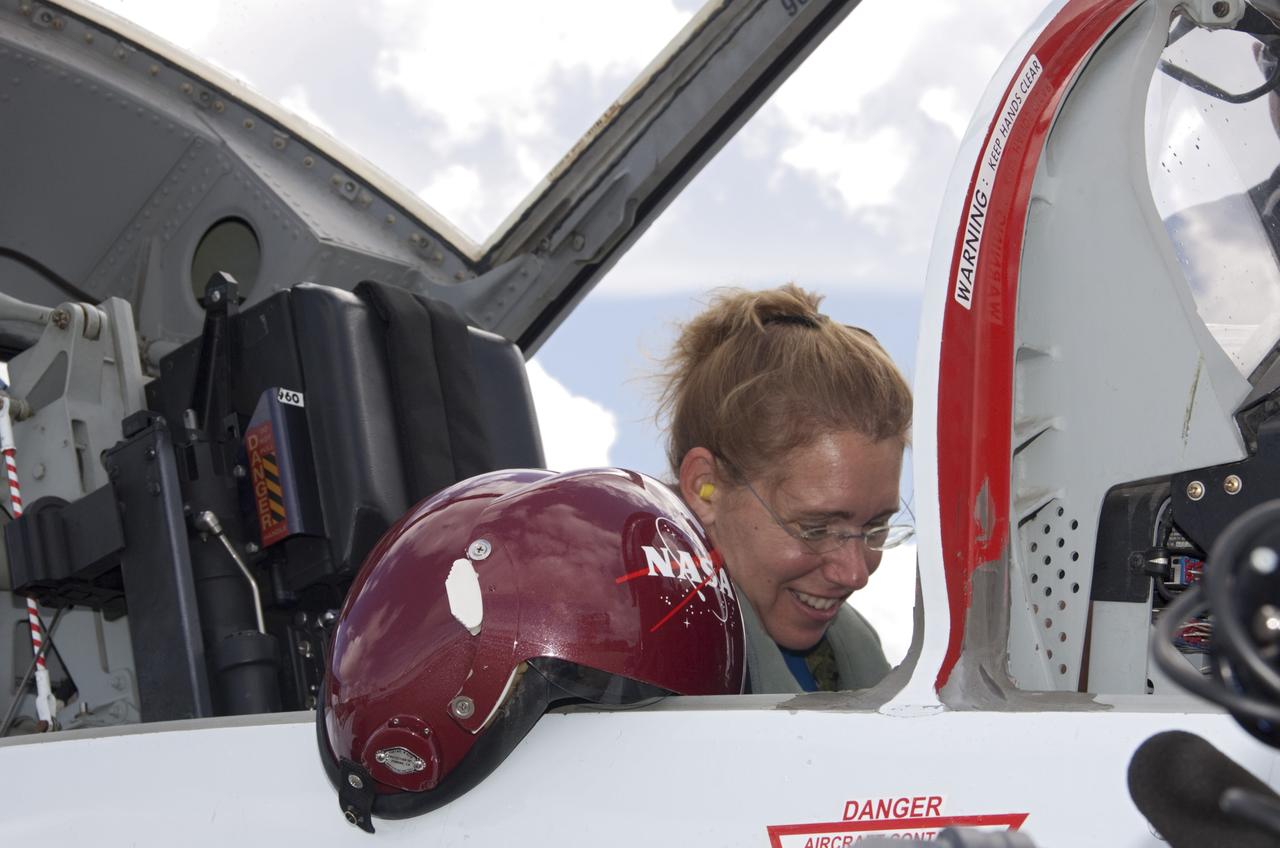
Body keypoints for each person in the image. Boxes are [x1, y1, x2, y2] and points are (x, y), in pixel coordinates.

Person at [657, 284, 913, 694]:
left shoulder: (850, 660)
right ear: (706, 487)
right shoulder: (642, 669)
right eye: (815, 528)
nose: (855, 573)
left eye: (875, 528)